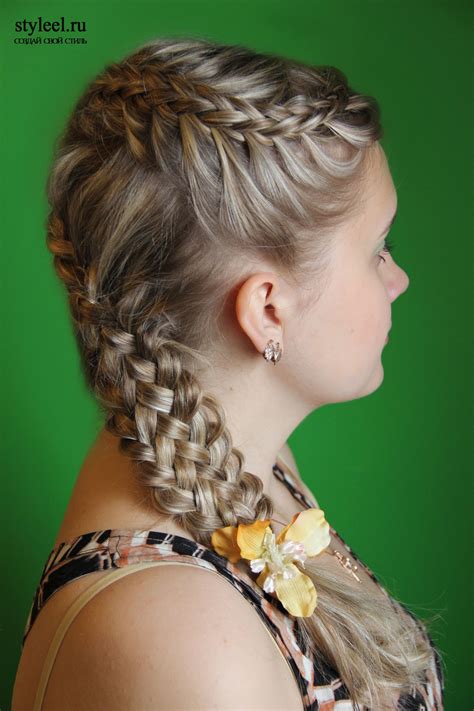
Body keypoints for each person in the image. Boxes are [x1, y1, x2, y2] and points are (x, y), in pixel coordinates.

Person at [12, 36, 445, 710]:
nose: (399, 279)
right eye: (377, 249)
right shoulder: (186, 647)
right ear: (268, 310)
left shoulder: (225, 459)